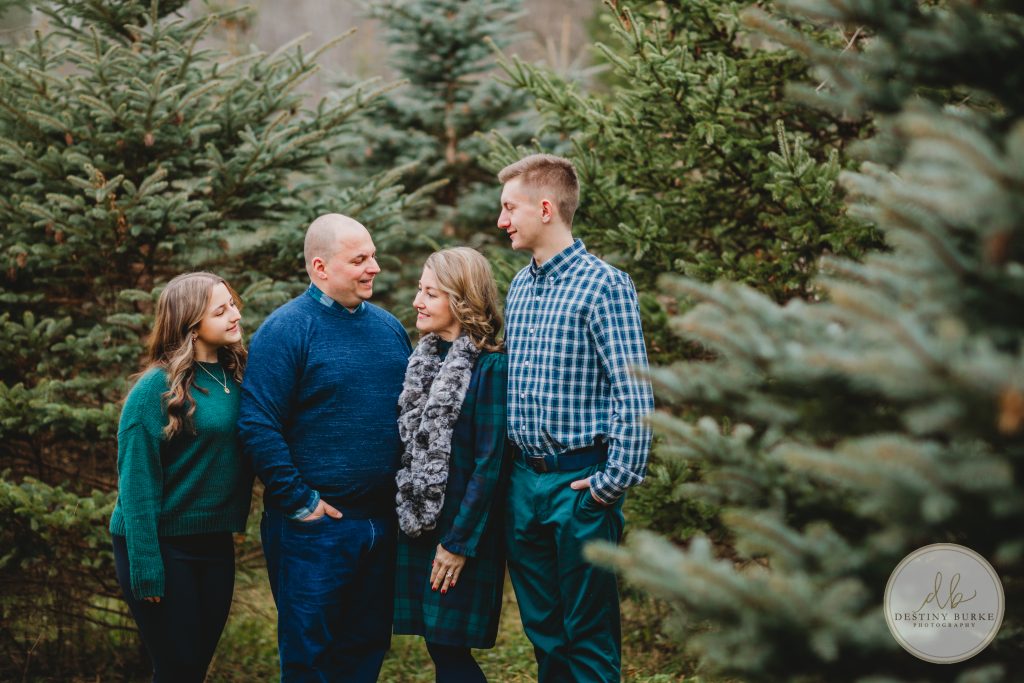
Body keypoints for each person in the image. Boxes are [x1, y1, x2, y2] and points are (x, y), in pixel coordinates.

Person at [496, 154, 655, 682]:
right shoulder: (520, 288)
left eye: (509, 208)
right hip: (524, 486)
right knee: (544, 631)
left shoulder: (605, 286)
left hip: (580, 486)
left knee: (587, 635)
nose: (502, 221)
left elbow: (634, 394)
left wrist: (609, 487)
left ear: (545, 208)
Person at [238, 213, 412, 683]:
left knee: (366, 648)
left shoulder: (390, 329)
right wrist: (299, 501)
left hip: (379, 523)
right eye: (359, 259)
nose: (374, 267)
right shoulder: (286, 330)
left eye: (372, 255)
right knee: (310, 657)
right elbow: (257, 424)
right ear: (320, 268)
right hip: (313, 530)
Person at [109, 271, 251, 683]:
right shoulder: (155, 389)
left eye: (233, 304)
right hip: (162, 543)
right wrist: (146, 566)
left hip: (214, 542)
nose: (234, 315)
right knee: (178, 668)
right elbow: (137, 486)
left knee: (194, 667)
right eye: (220, 310)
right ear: (191, 324)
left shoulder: (239, 375)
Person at [393, 247, 511, 683]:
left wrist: (458, 543)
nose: (417, 302)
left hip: (464, 530)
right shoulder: (421, 360)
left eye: (431, 293)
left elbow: (489, 464)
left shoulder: (491, 366)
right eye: (420, 291)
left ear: (461, 300)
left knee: (450, 650)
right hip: (421, 520)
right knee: (438, 647)